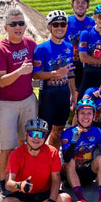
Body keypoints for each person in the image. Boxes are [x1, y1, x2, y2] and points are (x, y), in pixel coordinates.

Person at [0, 8, 37, 195]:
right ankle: (2, 182)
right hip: (6, 103)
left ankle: (23, 177)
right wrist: (20, 72)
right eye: (13, 24)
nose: (18, 27)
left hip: (28, 100)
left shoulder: (31, 44)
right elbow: (0, 81)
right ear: (6, 27)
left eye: (21, 23)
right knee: (7, 146)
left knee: (28, 142)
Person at [0, 118, 71, 202]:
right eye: (33, 133)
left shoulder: (53, 152)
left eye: (41, 135)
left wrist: (51, 201)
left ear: (45, 137)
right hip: (23, 194)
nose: (36, 138)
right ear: (26, 134)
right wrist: (19, 185)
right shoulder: (16, 154)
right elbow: (8, 184)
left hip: (44, 194)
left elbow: (56, 179)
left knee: (66, 199)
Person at [59, 100, 101, 202]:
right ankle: (81, 199)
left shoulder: (98, 132)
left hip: (88, 174)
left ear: (94, 116)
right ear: (76, 115)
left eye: (89, 113)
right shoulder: (68, 133)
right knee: (70, 161)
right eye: (82, 113)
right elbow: (66, 158)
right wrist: (73, 141)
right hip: (70, 177)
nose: (85, 117)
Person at [33, 10, 75, 150]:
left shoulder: (69, 47)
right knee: (42, 133)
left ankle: (53, 161)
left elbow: (70, 73)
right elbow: (36, 75)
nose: (59, 27)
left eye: (62, 24)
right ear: (49, 27)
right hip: (48, 96)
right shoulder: (41, 49)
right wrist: (55, 74)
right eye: (55, 24)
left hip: (63, 95)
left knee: (58, 132)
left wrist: (73, 94)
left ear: (66, 27)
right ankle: (37, 163)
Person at [66, 0, 95, 90]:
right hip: (69, 64)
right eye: (77, 2)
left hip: (87, 65)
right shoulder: (65, 21)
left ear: (88, 6)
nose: (80, 5)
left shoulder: (92, 23)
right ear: (72, 5)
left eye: (83, 2)